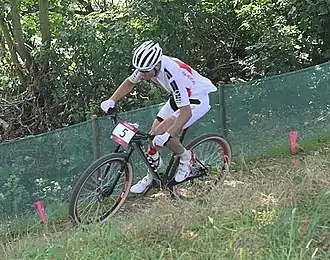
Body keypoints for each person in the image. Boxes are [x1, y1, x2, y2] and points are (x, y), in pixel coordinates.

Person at [101, 40, 217, 193]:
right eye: (140, 71)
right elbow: (130, 82)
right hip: (180, 97)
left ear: (156, 67)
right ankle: (153, 174)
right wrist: (112, 100)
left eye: (145, 72)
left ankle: (187, 158)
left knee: (163, 133)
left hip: (196, 99)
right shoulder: (146, 66)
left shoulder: (172, 74)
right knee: (152, 135)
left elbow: (186, 112)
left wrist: (168, 134)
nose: (141, 75)